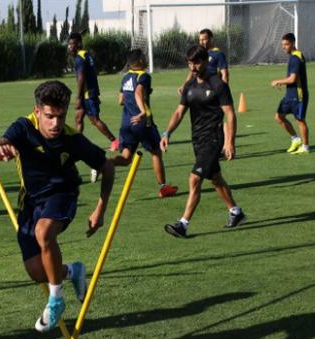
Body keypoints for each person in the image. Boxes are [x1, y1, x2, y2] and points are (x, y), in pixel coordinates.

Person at [0, 80, 115, 332]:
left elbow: (107, 167)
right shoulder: (23, 127)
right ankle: (72, 271)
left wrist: (101, 208)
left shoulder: (73, 139)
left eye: (60, 116)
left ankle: (55, 300)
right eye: (49, 116)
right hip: (31, 202)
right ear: (37, 112)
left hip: (62, 194)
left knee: (43, 232)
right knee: (37, 272)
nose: (55, 123)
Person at [161, 45, 246, 238]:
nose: (193, 67)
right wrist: (167, 133)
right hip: (197, 139)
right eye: (190, 63)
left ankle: (183, 224)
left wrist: (230, 142)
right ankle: (236, 212)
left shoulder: (218, 85)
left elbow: (230, 115)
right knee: (215, 178)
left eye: (197, 62)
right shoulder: (189, 86)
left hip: (214, 138)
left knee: (195, 178)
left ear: (206, 61)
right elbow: (179, 112)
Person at [111, 49, 177, 198]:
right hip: (142, 122)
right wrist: (142, 112)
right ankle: (163, 187)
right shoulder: (144, 76)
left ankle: (103, 164)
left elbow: (120, 100)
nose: (146, 59)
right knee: (156, 152)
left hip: (126, 123)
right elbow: (138, 92)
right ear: (140, 61)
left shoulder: (126, 77)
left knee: (126, 158)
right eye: (144, 57)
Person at [67, 32, 119, 153]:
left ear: (78, 43)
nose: (69, 47)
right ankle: (77, 144)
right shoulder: (86, 54)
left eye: (72, 44)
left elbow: (81, 78)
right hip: (89, 93)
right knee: (78, 118)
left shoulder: (80, 58)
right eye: (69, 44)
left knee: (95, 120)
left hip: (87, 95)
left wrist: (79, 97)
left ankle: (114, 141)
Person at [271, 33, 310, 154]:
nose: (284, 47)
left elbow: (292, 79)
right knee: (279, 116)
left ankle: (305, 146)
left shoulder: (295, 58)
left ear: (293, 43)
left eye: (286, 44)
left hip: (298, 95)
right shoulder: (296, 55)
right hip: (290, 95)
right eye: (282, 44)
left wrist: (278, 81)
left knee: (300, 120)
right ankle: (295, 139)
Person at [178, 28, 229, 94]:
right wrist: (184, 86)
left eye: (204, 40)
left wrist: (224, 89)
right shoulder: (198, 53)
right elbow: (192, 72)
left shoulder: (218, 54)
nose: (201, 42)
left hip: (212, 88)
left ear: (210, 39)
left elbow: (224, 74)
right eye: (200, 40)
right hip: (198, 87)